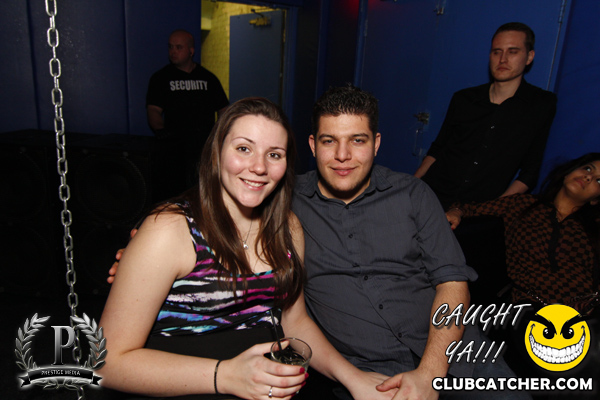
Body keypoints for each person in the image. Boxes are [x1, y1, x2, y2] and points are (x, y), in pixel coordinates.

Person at [110, 87, 526, 400]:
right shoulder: (285, 205)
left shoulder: (411, 195)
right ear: (312, 146)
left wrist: (431, 374)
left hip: (454, 351)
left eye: (357, 140)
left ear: (376, 144)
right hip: (366, 368)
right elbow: (208, 222)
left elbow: (453, 284)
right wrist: (143, 261)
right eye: (329, 141)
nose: (343, 155)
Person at [99, 97, 395, 400]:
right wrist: (226, 376)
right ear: (217, 153)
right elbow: (106, 363)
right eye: (244, 148)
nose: (259, 167)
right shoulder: (170, 230)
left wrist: (353, 379)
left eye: (274, 154)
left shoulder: (287, 227)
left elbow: (294, 321)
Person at [415, 22, 557, 210]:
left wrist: (490, 210)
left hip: (480, 210)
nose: (503, 59)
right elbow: (438, 148)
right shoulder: (464, 99)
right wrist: (412, 186)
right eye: (497, 52)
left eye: (512, 52)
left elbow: (530, 172)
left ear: (529, 57)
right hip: (431, 195)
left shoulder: (540, 104)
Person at [446, 153, 600, 312]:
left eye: (599, 180)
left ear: (595, 200)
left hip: (585, 311)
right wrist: (456, 211)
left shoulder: (593, 229)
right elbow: (469, 208)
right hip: (532, 307)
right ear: (568, 173)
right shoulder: (522, 204)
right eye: (588, 168)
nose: (588, 177)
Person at [147, 29, 230, 199]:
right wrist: (161, 132)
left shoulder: (208, 78)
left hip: (203, 149)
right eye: (170, 47)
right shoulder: (161, 78)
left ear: (191, 51)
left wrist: (218, 134)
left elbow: (223, 109)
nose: (173, 51)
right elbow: (153, 110)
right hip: (173, 149)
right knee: (173, 193)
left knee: (202, 193)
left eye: (179, 47)